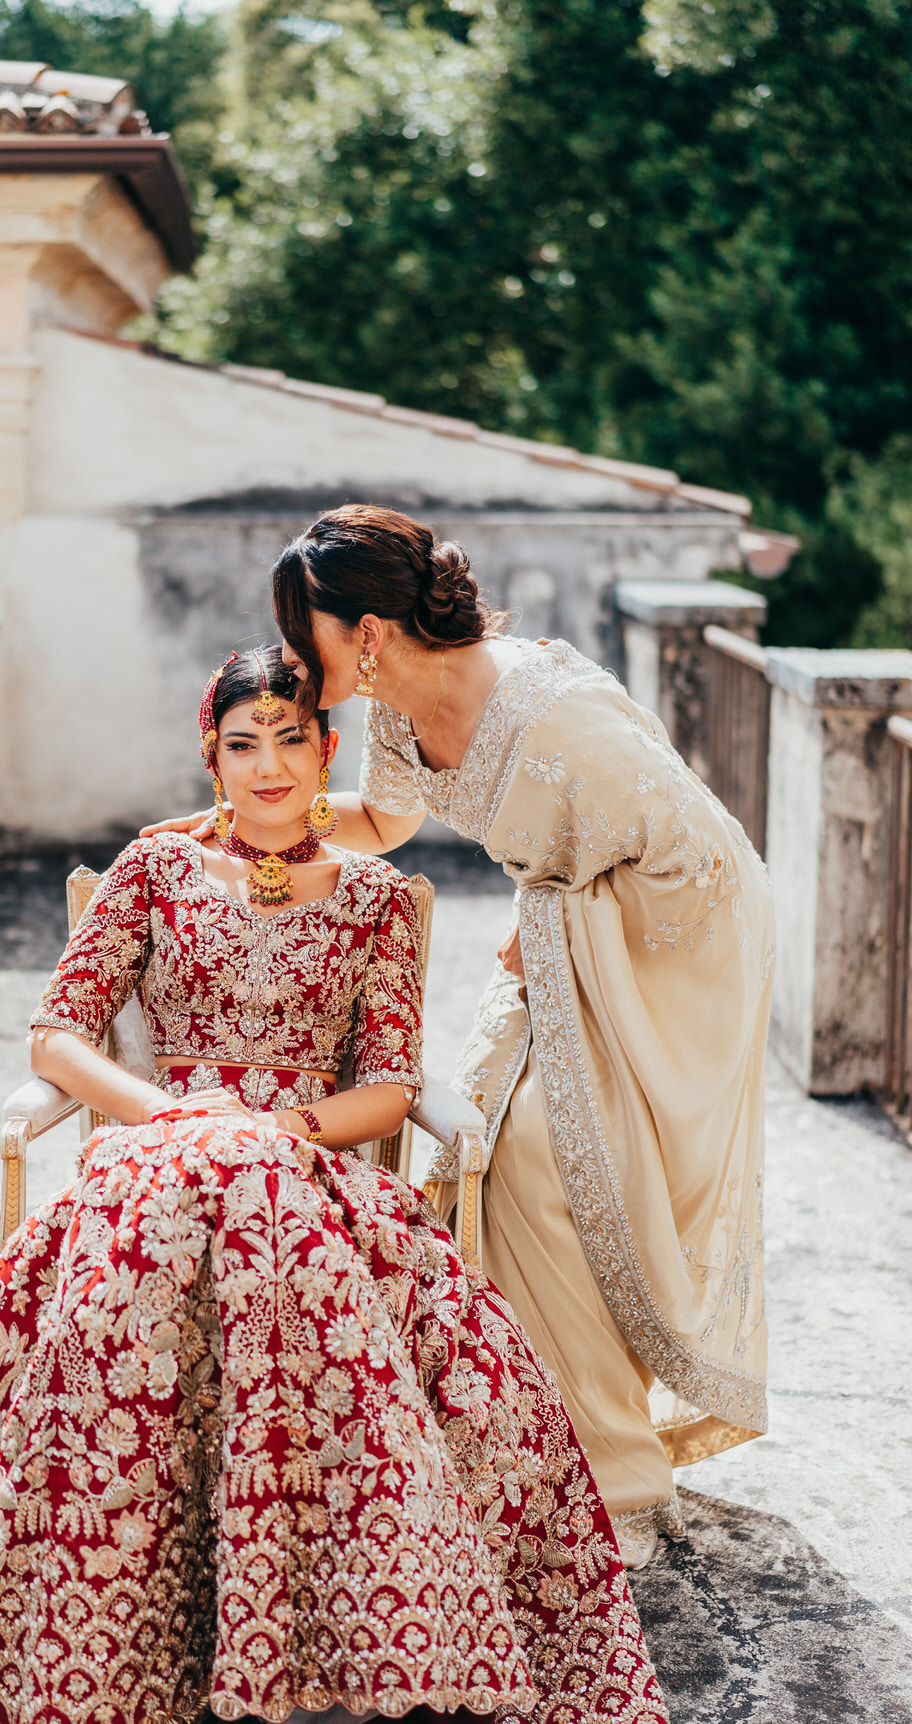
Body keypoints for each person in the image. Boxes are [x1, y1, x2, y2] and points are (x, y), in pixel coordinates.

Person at [0, 646, 677, 1724]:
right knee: (153, 1252)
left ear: (327, 753)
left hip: (307, 1163)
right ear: (211, 758)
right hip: (162, 1152)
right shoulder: (154, 871)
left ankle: (355, 1647)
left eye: (290, 740)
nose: (267, 766)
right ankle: (106, 1643)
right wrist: (162, 1115)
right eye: (242, 744)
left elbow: (387, 1082)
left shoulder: (375, 901)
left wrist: (285, 1130)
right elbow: (57, 1034)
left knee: (297, 1246)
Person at [146, 507, 775, 1569]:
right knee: (493, 1153)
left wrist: (565, 933)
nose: (297, 661)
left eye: (308, 635)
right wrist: (227, 824)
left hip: (675, 943)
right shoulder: (395, 708)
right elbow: (388, 822)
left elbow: (697, 864)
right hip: (567, 935)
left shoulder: (556, 715)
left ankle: (609, 1478)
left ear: (370, 633)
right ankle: (532, 1451)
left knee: (550, 1163)